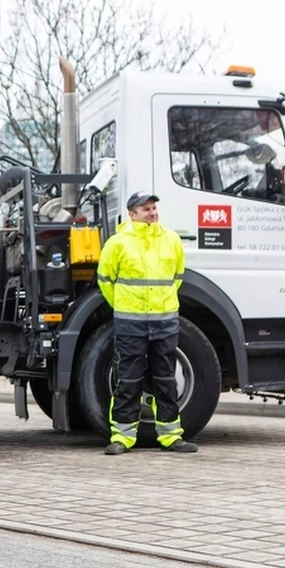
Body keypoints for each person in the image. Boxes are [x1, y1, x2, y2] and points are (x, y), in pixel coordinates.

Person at [96, 191, 198, 455]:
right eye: (145, 209)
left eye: (153, 208)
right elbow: (105, 280)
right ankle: (122, 437)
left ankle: (171, 436)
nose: (152, 212)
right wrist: (125, 305)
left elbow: (177, 277)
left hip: (165, 322)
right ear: (132, 214)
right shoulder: (117, 243)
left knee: (166, 380)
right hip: (130, 323)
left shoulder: (171, 239)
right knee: (128, 381)